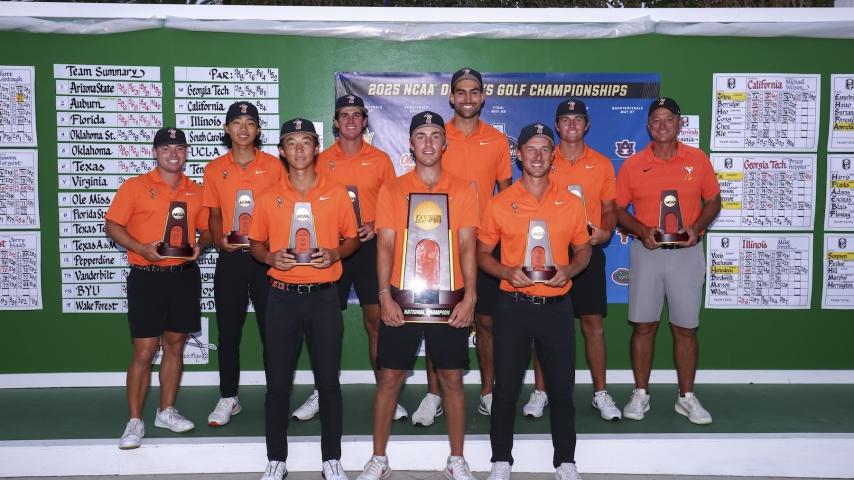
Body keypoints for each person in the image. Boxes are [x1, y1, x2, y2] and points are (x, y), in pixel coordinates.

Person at [356, 111, 479, 480]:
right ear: (411, 144)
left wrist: (470, 297)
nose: (428, 142)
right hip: (401, 296)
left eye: (435, 135)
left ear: (445, 143)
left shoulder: (463, 189)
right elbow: (385, 246)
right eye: (421, 136)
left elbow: (468, 247)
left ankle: (456, 459)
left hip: (450, 297)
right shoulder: (393, 189)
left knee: (452, 379)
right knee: (389, 378)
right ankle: (378, 459)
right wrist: (384, 295)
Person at [478, 122, 590, 480]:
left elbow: (584, 249)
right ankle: (501, 460)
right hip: (513, 306)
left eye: (544, 149)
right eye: (531, 149)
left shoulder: (570, 202)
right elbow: (482, 254)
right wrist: (505, 271)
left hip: (557, 309)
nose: (538, 156)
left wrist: (570, 269)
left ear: (552, 155)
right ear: (519, 154)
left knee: (562, 389)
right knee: (505, 389)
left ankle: (565, 462)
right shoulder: (499, 203)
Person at [249, 118, 359, 480]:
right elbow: (256, 243)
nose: (299, 149)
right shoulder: (268, 196)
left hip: (324, 298)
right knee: (278, 384)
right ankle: (276, 459)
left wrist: (336, 253)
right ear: (281, 150)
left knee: (328, 382)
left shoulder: (337, 192)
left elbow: (352, 239)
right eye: (292, 143)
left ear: (316, 148)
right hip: (281, 298)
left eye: (306, 142)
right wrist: (269, 257)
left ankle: (332, 459)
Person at [292, 94, 406, 422]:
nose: (351, 120)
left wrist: (375, 223)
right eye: (345, 115)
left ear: (365, 121)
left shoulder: (381, 160)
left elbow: (395, 205)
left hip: (370, 248)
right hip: (333, 249)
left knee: (377, 322)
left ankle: (386, 391)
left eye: (357, 114)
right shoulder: (321, 160)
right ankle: (321, 390)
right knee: (324, 325)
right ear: (335, 122)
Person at [413, 67, 512, 427]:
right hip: (439, 243)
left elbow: (506, 194)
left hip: (484, 245)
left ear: (483, 97)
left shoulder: (497, 141)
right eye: (461, 92)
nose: (467, 98)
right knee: (434, 320)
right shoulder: (438, 137)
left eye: (474, 92)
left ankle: (487, 392)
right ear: (451, 97)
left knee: (486, 321)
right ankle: (434, 395)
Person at [615, 97, 721, 425]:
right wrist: (641, 229)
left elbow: (714, 201)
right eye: (656, 120)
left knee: (685, 328)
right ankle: (640, 393)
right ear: (648, 126)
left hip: (687, 253)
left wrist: (697, 227)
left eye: (669, 119)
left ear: (680, 124)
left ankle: (686, 397)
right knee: (644, 325)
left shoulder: (697, 159)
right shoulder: (633, 164)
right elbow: (617, 210)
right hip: (646, 253)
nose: (663, 125)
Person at [106, 127, 210, 449]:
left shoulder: (196, 191)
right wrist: (141, 247)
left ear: (186, 153)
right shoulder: (135, 186)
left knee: (175, 346)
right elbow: (112, 225)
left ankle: (166, 411)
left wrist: (201, 245)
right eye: (166, 148)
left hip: (184, 276)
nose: (173, 154)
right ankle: (134, 420)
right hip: (147, 276)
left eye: (179, 148)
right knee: (144, 351)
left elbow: (207, 229)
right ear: (155, 152)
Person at [523, 98, 621, 421]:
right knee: (543, 325)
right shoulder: (545, 161)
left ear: (587, 125)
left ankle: (600, 393)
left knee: (593, 325)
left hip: (586, 252)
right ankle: (541, 391)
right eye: (566, 120)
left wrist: (606, 231)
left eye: (578, 119)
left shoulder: (602, 163)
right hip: (549, 254)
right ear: (557, 125)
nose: (572, 125)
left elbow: (609, 207)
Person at [203, 102, 284, 427]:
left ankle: (276, 395)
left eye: (250, 122)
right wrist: (218, 238)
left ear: (259, 129)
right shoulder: (214, 169)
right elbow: (214, 214)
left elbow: (284, 208)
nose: (243, 128)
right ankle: (228, 397)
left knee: (272, 331)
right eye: (237, 122)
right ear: (227, 129)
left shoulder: (275, 166)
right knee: (228, 331)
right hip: (231, 258)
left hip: (265, 260)